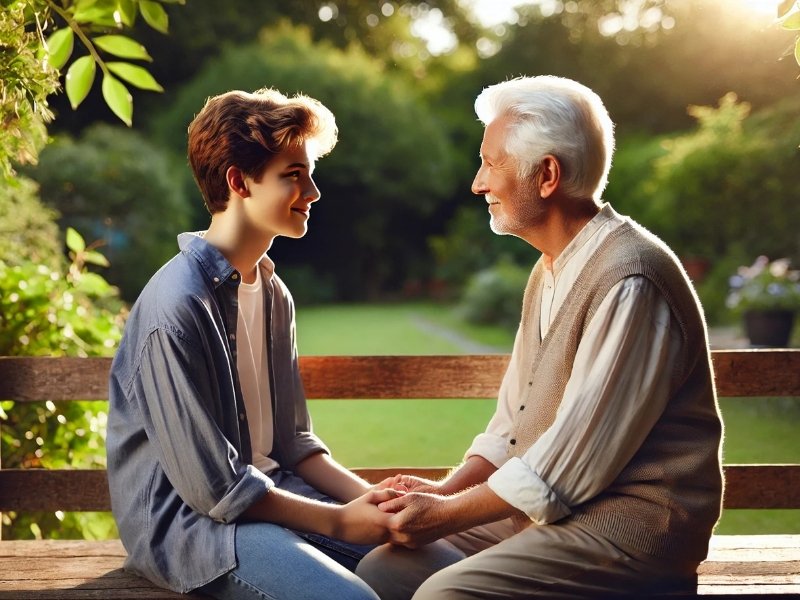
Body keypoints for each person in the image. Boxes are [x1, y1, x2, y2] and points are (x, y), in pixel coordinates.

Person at [356, 75, 724, 599]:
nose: (478, 183)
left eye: (491, 163)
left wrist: (446, 514)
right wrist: (445, 491)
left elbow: (569, 465)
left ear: (547, 175)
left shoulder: (631, 279)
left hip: (634, 535)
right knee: (384, 570)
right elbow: (514, 424)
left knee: (446, 595)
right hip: (552, 515)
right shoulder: (549, 268)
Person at [106, 88, 394, 600]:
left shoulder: (272, 291)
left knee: (441, 570)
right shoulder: (177, 305)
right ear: (239, 181)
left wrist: (377, 501)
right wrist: (343, 524)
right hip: (194, 529)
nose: (313, 192)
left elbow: (295, 446)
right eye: (294, 174)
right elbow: (216, 491)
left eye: (309, 173)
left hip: (279, 493)